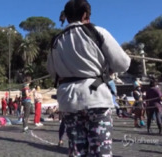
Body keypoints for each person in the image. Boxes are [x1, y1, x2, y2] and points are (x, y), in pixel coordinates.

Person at [47, 0, 131, 156]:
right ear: (85, 14)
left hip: (68, 100)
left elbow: (52, 72)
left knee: (77, 151)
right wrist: (106, 70)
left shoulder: (56, 40)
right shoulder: (97, 32)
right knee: (100, 151)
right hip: (96, 97)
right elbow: (123, 63)